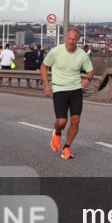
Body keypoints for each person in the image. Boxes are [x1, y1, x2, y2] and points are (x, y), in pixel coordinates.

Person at [40, 28, 95, 160]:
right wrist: (47, 85)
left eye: (74, 39)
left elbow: (91, 70)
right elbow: (43, 66)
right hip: (59, 89)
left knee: (75, 120)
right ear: (65, 38)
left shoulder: (82, 54)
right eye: (69, 38)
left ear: (78, 40)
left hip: (76, 89)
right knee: (62, 121)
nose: (71, 41)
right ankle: (57, 132)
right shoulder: (56, 51)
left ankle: (66, 148)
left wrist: (87, 79)